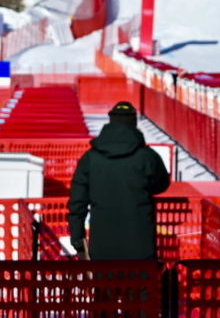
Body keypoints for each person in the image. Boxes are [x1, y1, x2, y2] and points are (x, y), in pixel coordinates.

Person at [66, 102, 171, 261]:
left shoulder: (90, 158)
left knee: (105, 277)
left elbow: (77, 201)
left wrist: (77, 236)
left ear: (111, 121)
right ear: (134, 124)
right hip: (140, 244)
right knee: (140, 277)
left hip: (102, 245)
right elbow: (161, 184)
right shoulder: (147, 156)